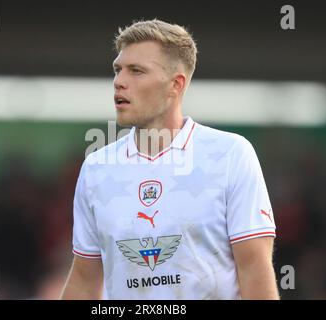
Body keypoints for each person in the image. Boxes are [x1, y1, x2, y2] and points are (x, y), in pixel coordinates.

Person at [61, 19, 279, 300]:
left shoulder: (230, 154)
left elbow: (254, 270)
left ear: (176, 85)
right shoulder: (96, 168)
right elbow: (84, 279)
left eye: (136, 71)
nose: (119, 82)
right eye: (118, 70)